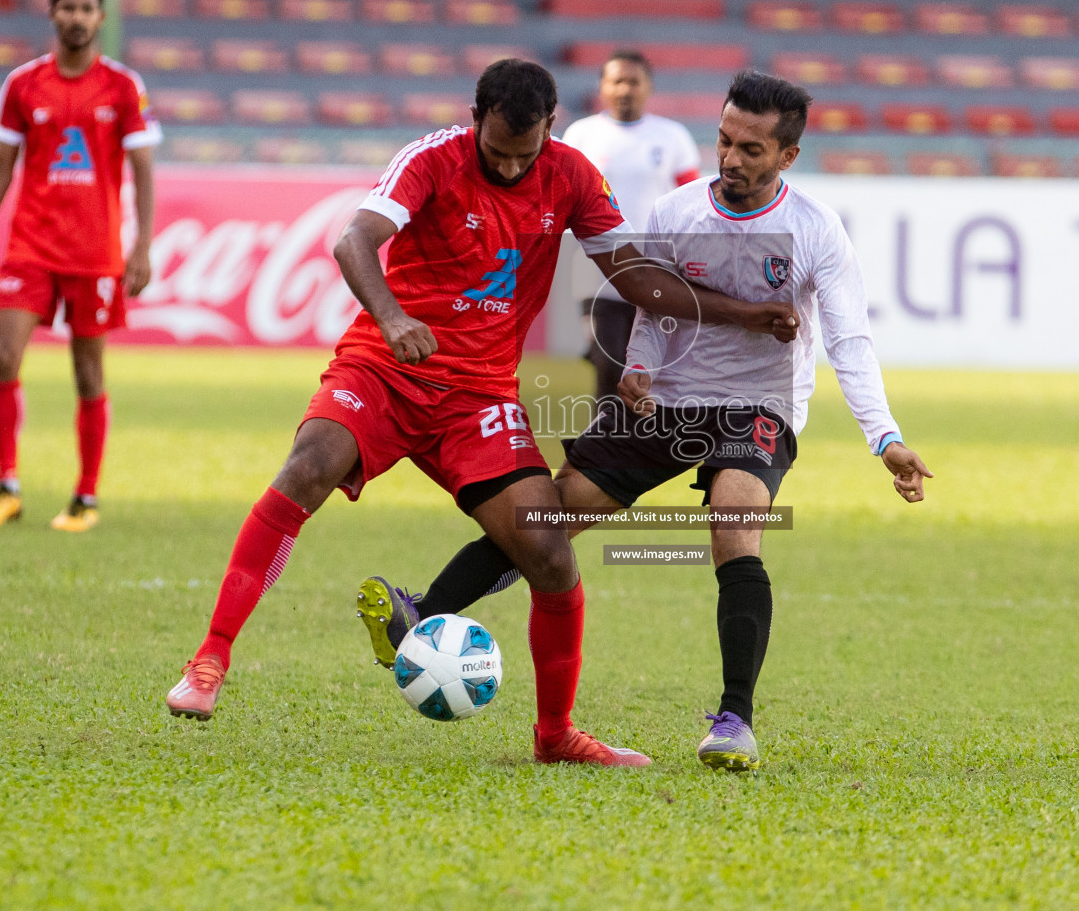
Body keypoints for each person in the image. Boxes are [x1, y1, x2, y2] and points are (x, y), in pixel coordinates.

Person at [166, 60, 800, 769]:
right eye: (496, 151)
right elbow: (353, 241)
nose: (507, 166)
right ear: (476, 119)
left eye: (522, 155)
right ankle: (209, 661)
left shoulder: (571, 176)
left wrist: (745, 315)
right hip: (386, 367)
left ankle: (555, 736)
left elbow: (637, 278)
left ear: (549, 130)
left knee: (549, 548)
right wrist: (392, 317)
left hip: (480, 396)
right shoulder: (432, 158)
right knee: (308, 468)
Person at [359, 71, 932, 773]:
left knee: (734, 526)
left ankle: (734, 720)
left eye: (752, 149)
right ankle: (423, 611)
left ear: (788, 156)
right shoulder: (676, 212)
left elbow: (848, 340)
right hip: (665, 402)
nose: (731, 159)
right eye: (724, 140)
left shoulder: (815, 231)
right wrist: (637, 368)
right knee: (547, 520)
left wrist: (886, 438)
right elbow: (651, 308)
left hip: (758, 407)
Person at [0, 0, 160, 533]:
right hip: (30, 246)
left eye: (86, 8)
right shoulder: (22, 84)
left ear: (101, 16)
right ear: (52, 13)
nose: (76, 17)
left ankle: (85, 497)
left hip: (95, 252)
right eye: (67, 7)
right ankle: (7, 486)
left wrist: (141, 244)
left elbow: (144, 169)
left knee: (88, 373)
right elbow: (2, 168)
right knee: (3, 357)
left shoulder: (123, 86)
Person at [561, 50, 701, 401]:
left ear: (648, 87)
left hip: (656, 268)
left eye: (633, 81)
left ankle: (637, 444)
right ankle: (602, 447)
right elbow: (560, 198)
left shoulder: (672, 137)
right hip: (596, 270)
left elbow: (691, 203)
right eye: (617, 81)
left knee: (650, 367)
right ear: (603, 87)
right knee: (609, 359)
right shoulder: (581, 135)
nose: (625, 89)